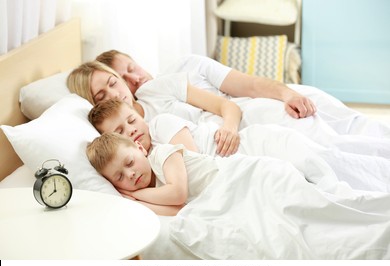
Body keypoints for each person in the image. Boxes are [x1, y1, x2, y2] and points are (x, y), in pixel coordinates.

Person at [86, 132, 390, 259]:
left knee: (309, 210)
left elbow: (178, 194)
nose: (131, 175)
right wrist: (138, 203)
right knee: (280, 238)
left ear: (139, 149)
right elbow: (177, 212)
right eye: (120, 178)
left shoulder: (162, 155)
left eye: (129, 163)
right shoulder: (147, 191)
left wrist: (137, 198)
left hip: (249, 178)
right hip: (225, 198)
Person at [68, 60, 390, 159]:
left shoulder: (166, 82)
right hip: (235, 142)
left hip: (247, 117)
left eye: (116, 79)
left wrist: (286, 92)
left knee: (338, 138)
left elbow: (234, 97)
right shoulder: (129, 132)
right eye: (103, 93)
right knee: (326, 154)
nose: (123, 86)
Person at [88, 99, 390, 192]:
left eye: (130, 120)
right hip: (250, 157)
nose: (132, 130)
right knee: (317, 175)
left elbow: (195, 160)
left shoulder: (161, 125)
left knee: (327, 164)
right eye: (121, 131)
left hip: (259, 143)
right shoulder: (145, 158)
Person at [96, 50, 390, 139]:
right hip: (250, 126)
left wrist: (287, 94)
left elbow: (248, 85)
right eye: (124, 79)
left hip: (269, 100)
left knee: (358, 127)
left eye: (131, 68)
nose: (134, 79)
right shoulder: (145, 118)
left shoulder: (186, 66)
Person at [67, 60, 241, 156]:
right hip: (216, 159)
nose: (114, 95)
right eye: (101, 96)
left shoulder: (156, 89)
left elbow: (227, 105)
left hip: (233, 134)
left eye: (113, 83)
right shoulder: (127, 139)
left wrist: (229, 129)